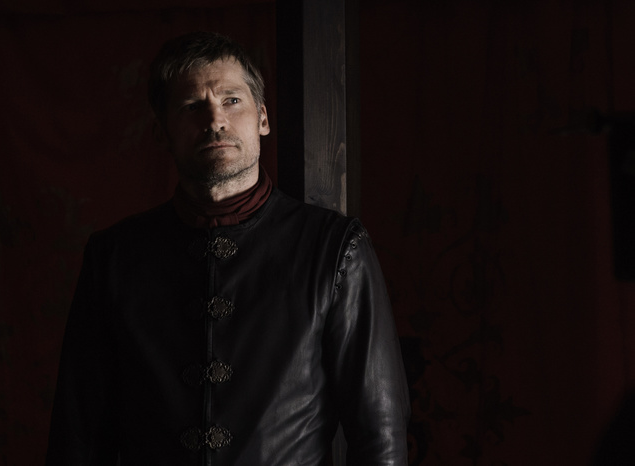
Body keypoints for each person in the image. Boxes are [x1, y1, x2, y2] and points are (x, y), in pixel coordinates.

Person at [46, 31, 410, 465]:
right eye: (192, 106)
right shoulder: (115, 257)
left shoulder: (334, 249)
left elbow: (379, 437)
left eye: (232, 100)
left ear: (262, 118)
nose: (215, 120)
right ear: (162, 132)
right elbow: (78, 438)